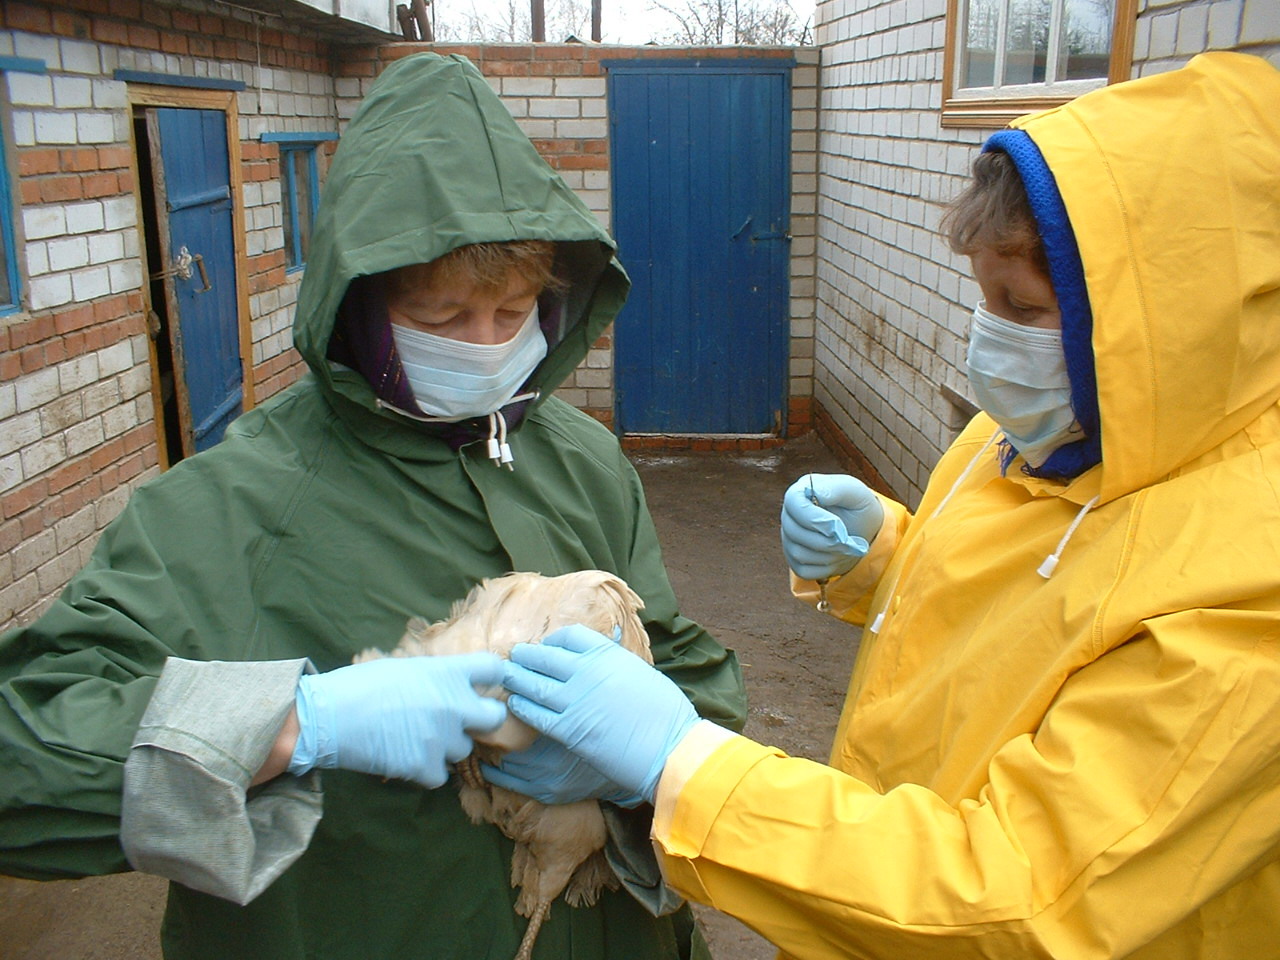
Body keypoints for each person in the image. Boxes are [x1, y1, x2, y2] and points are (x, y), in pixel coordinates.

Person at [491, 51, 1280, 959]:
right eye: (984, 298)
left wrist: (686, 766)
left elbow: (1020, 902)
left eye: (1020, 307)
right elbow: (1036, 616)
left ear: (1163, 326)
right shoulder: (1059, 429)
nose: (990, 338)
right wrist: (879, 558)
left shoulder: (1243, 600)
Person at [0, 53, 746, 960]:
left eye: (513, 312)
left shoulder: (583, 462)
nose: (486, 348)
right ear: (357, 308)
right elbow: (22, 760)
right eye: (441, 319)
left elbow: (685, 662)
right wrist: (297, 725)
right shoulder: (235, 505)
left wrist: (650, 754)